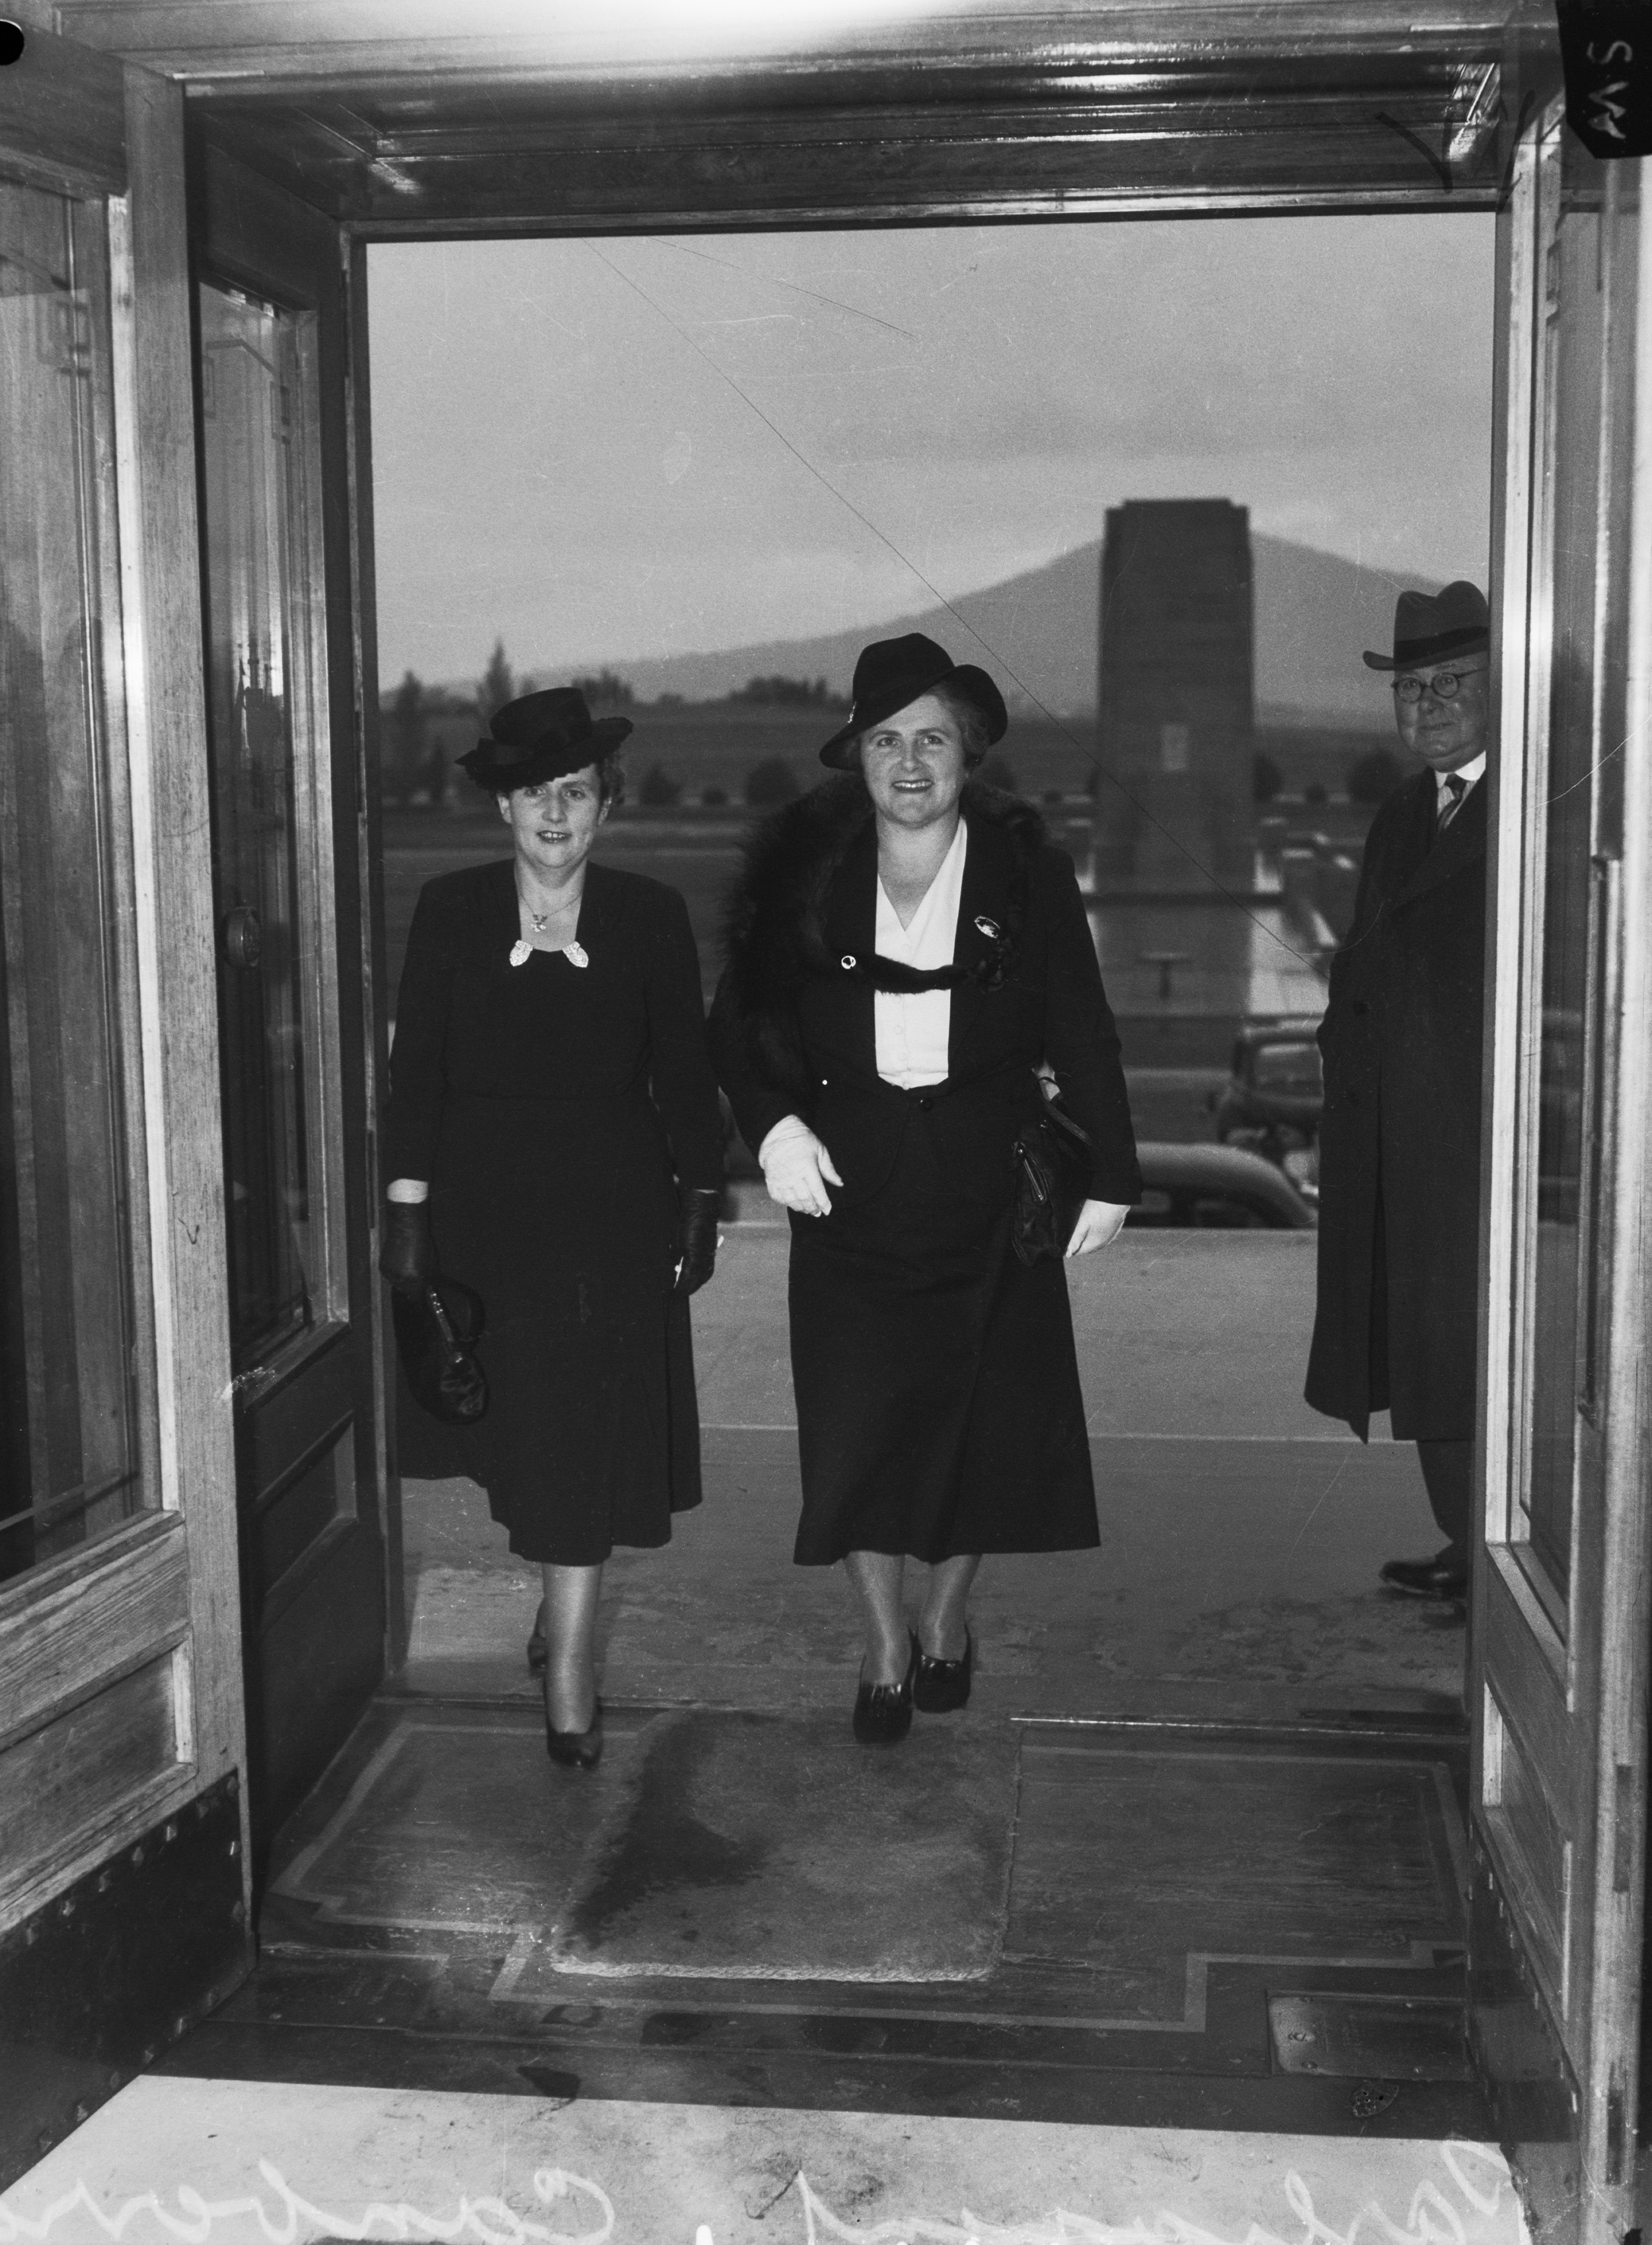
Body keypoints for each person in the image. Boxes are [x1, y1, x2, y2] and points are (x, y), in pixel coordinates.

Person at [709, 632, 1141, 1744]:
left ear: (969, 753)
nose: (909, 761)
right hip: (846, 1188)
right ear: (855, 754)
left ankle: (945, 1615)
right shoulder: (801, 868)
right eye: (887, 738)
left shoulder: (1025, 869)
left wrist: (1112, 1173)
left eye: (933, 739)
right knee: (859, 1432)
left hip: (991, 1188)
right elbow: (740, 1026)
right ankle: (884, 1642)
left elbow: (1079, 1023)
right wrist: (775, 1130)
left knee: (980, 1431)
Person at [380, 687, 724, 1769]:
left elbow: (684, 1073)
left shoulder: (651, 915)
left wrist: (702, 1197)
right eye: (535, 793)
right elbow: (414, 1077)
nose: (555, 812)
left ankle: (570, 1664)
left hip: (612, 1218)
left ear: (605, 806)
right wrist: (407, 1221)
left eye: (575, 791)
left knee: (582, 1436)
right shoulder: (446, 908)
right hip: (483, 1222)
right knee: (527, 1435)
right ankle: (556, 1605)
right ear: (503, 809)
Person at [1305, 582, 1492, 1609]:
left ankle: (1496, 1551)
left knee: (1467, 1344)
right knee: (1422, 1343)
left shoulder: (1531, 806)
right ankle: (1467, 1544)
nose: (1425, 707)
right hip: (1398, 1131)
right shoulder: (1398, 811)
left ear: (1498, 688)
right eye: (1409, 688)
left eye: (1450, 684)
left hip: (1477, 1137)